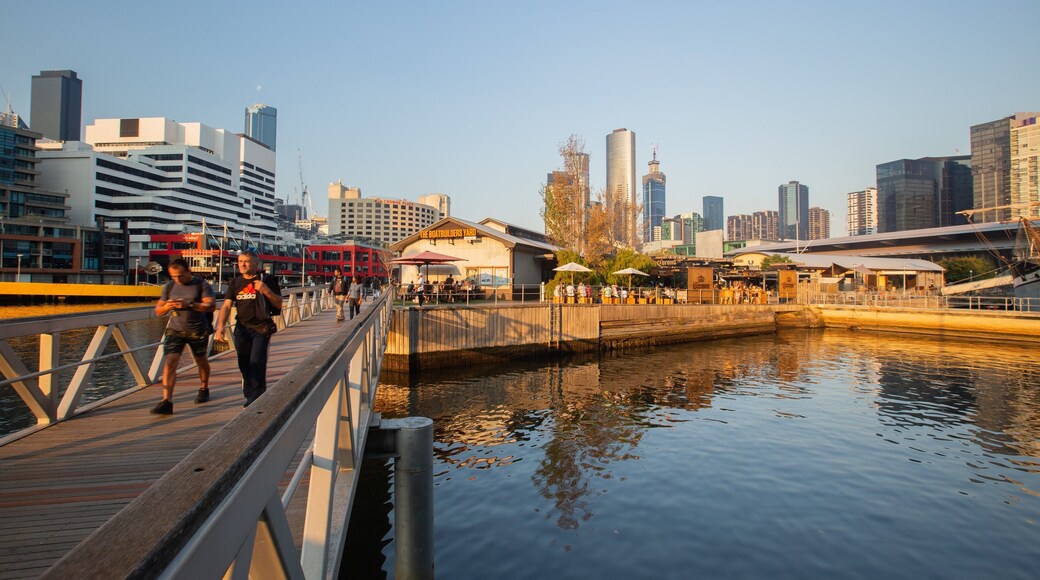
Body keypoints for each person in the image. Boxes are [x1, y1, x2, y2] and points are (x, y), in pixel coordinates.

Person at [215, 251, 283, 407]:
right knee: (244, 363)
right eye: (240, 261)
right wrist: (220, 326)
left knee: (256, 361)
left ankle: (257, 396)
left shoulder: (267, 280)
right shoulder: (235, 283)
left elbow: (278, 303)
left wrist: (265, 290)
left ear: (255, 264)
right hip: (242, 328)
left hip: (261, 327)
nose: (242, 265)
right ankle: (250, 393)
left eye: (246, 261)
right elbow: (226, 305)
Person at [151, 259, 216, 414]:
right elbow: (158, 310)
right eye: (174, 276)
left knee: (201, 361)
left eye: (180, 276)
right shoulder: (169, 287)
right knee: (170, 362)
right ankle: (167, 401)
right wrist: (167, 306)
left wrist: (190, 305)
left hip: (197, 330)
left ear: (188, 271)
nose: (178, 280)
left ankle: (204, 387)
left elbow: (211, 305)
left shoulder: (201, 285)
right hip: (175, 330)